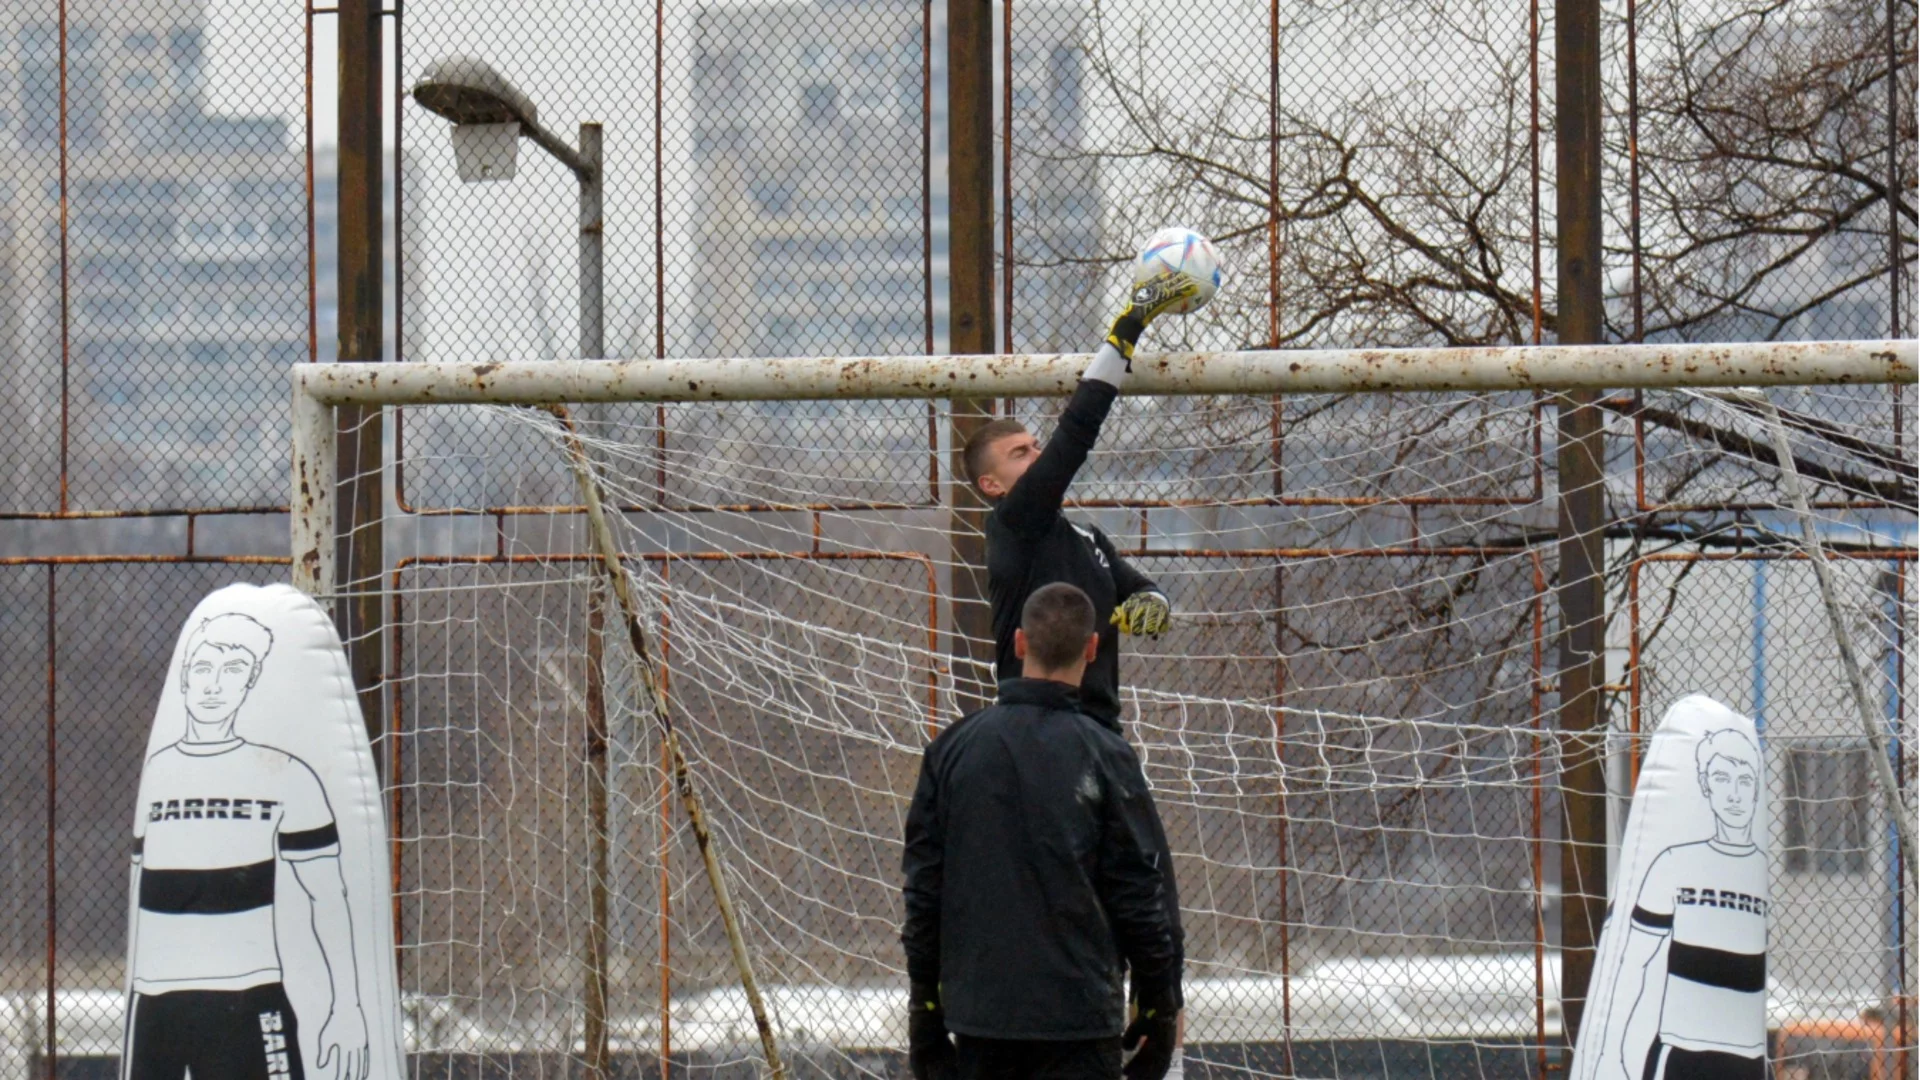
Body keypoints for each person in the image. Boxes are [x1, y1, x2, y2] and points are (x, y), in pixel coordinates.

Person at [902, 583, 1185, 1080]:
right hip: (1079, 1022)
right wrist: (1159, 1004)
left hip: (980, 1020)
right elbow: (1140, 893)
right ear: (1093, 648)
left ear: (1018, 643)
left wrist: (924, 1013)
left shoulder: (951, 752)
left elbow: (925, 892)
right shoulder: (1107, 756)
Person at [127, 613, 369, 1080]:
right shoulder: (159, 773)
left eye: (234, 669)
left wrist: (348, 1006)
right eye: (203, 669)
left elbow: (329, 899)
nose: (215, 685)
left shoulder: (288, 775)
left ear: (250, 682)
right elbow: (139, 891)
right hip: (157, 1003)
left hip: (249, 999)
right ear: (184, 678)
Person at [1607, 727, 1769, 1080]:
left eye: (1745, 780)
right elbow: (1635, 963)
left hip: (1747, 1058)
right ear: (1705, 785)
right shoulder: (1674, 863)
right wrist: (1619, 1047)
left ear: (1756, 787)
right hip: (1682, 1053)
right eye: (1722, 779)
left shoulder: (1762, 871)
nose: (1735, 794)